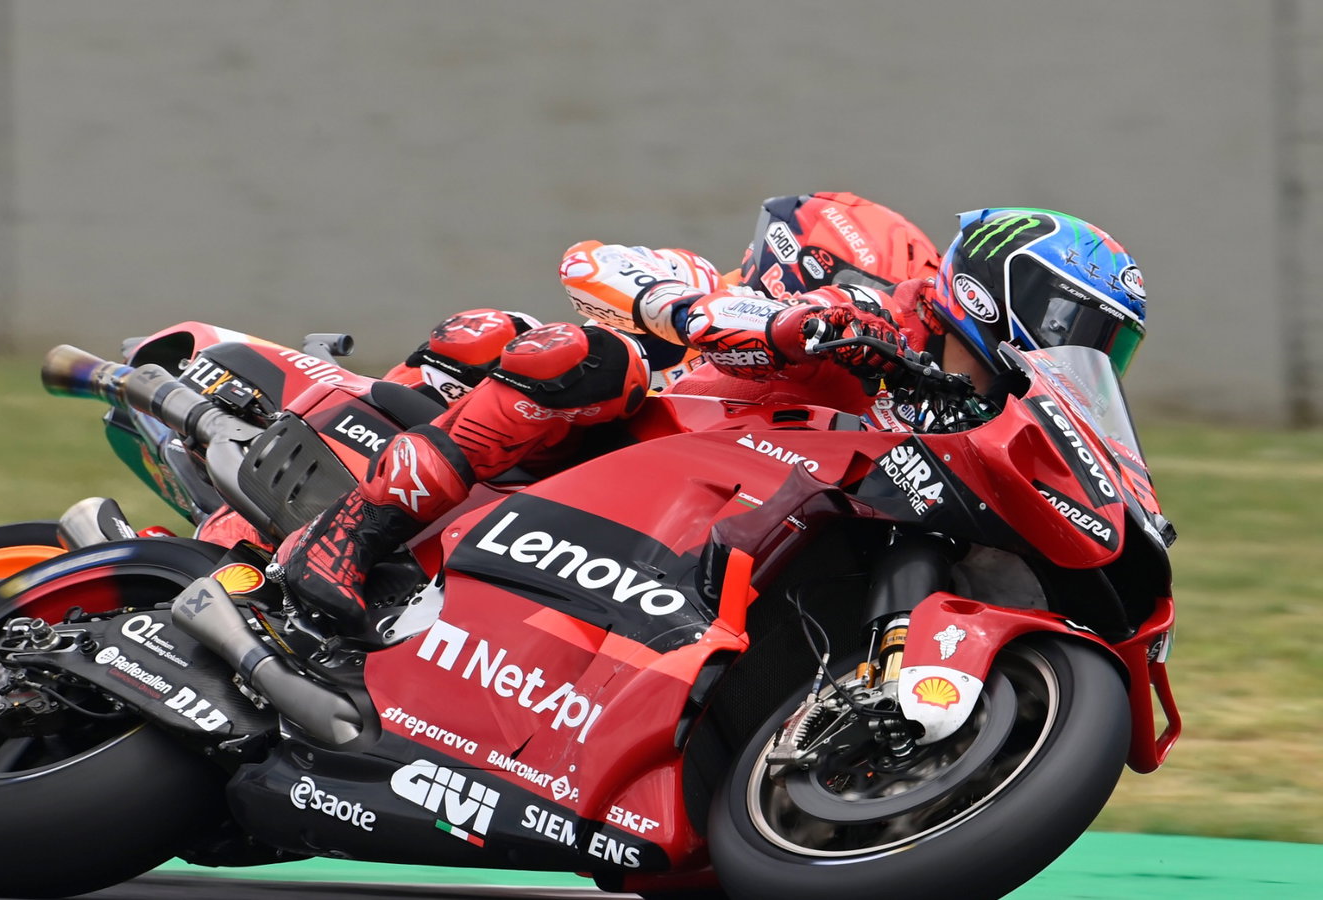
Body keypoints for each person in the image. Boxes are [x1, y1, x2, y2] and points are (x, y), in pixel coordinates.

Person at [274, 203, 1147, 639]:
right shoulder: (847, 309)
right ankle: (346, 536)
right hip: (629, 440)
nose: (1086, 352)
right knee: (584, 355)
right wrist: (769, 320)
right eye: (1082, 328)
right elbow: (590, 262)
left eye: (1107, 345)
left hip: (715, 532)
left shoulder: (968, 417)